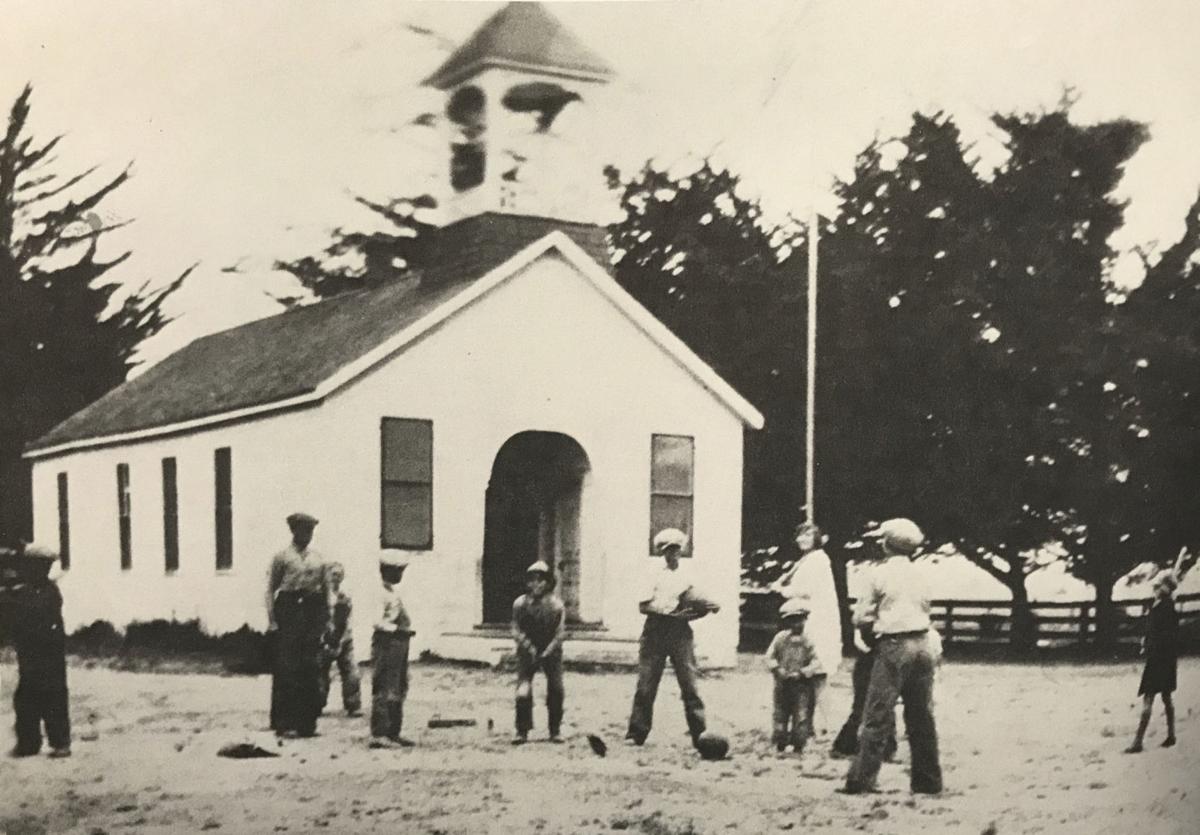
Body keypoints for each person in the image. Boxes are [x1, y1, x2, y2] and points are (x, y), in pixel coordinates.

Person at [843, 518, 943, 796]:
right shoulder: (922, 575)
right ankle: (928, 782)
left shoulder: (876, 574)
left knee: (877, 714)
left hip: (894, 643)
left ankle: (861, 780)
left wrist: (868, 635)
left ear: (887, 544)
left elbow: (862, 615)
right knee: (922, 715)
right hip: (923, 641)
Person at [626, 528, 717, 748]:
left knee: (690, 684)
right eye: (668, 549)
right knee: (646, 684)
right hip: (656, 631)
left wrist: (709, 606)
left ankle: (700, 734)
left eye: (676, 548)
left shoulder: (688, 576)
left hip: (680, 633)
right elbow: (643, 606)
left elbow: (695, 604)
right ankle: (636, 733)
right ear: (661, 551)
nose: (672, 553)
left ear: (681, 550)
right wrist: (669, 612)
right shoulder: (652, 573)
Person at [831, 533, 899, 760]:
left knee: (871, 700)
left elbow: (861, 617)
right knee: (874, 700)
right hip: (881, 646)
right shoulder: (885, 577)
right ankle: (857, 744)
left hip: (880, 644)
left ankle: (869, 745)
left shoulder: (878, 577)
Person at [1, 544, 71, 758]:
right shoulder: (32, 590)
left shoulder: (45, 591)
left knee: (52, 697)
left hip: (46, 652)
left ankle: (58, 743)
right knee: (28, 698)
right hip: (33, 652)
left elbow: (27, 607)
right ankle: (30, 743)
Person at [266, 512, 333, 738]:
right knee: (288, 666)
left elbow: (327, 590)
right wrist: (273, 620)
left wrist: (328, 619)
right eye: (303, 530)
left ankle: (307, 723)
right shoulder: (282, 557)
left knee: (310, 666)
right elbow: (270, 589)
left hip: (312, 610)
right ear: (293, 531)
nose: (307, 535)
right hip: (289, 608)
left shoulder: (319, 559)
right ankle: (285, 723)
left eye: (310, 531)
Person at [511, 560, 567, 745]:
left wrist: (548, 651)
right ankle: (522, 730)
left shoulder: (556, 605)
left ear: (549, 583)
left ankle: (555, 730)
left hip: (551, 650)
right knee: (523, 691)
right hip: (528, 650)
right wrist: (529, 647)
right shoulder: (520, 604)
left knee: (556, 689)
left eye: (541, 580)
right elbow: (515, 630)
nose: (536, 584)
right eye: (532, 580)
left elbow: (560, 633)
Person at [1125, 569, 1180, 753]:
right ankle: (1171, 735)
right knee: (1166, 697)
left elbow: (1154, 633)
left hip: (1156, 658)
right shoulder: (1169, 607)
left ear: (1162, 589)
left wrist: (1146, 645)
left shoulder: (1159, 609)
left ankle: (1138, 742)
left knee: (1148, 698)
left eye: (1157, 586)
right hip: (1168, 659)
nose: (1154, 589)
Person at [765, 597, 823, 754]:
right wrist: (777, 669)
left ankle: (799, 743)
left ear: (805, 620)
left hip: (801, 685)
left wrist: (804, 672)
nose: (796, 624)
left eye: (800, 620)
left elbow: (817, 661)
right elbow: (769, 656)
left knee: (801, 714)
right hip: (782, 684)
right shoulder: (780, 639)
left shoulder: (809, 641)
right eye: (792, 621)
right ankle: (780, 741)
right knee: (780, 713)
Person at [370, 553, 415, 749]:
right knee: (385, 686)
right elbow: (377, 622)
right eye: (398, 571)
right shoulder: (381, 594)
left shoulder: (393, 593)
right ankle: (380, 733)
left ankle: (394, 731)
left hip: (399, 643)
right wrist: (397, 630)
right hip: (387, 643)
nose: (401, 575)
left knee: (399, 686)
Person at [319, 562, 362, 718]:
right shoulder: (322, 595)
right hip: (325, 638)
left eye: (339, 574)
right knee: (320, 672)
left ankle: (353, 704)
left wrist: (341, 639)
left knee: (352, 672)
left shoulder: (344, 595)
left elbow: (345, 618)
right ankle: (317, 704)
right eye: (333, 574)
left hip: (344, 637)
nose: (336, 577)